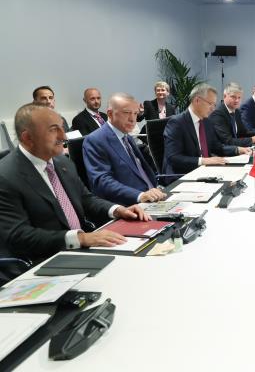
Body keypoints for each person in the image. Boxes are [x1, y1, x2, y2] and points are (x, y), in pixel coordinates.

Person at [0, 104, 149, 266]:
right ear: (28, 138)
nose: (64, 136)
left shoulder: (62, 162)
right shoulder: (6, 176)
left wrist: (117, 210)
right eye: (53, 129)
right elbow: (18, 235)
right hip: (43, 262)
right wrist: (79, 238)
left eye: (62, 128)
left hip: (83, 250)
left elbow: (85, 199)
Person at [83, 93, 166, 206]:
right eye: (127, 113)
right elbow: (102, 181)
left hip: (155, 197)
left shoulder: (127, 136)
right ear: (110, 114)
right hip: (130, 205)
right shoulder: (95, 140)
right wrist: (140, 195)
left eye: (135, 113)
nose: (133, 119)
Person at [163, 84, 250, 177]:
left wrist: (237, 150)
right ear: (197, 100)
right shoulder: (177, 123)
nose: (213, 108)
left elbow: (216, 147)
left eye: (214, 104)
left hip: (205, 171)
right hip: (183, 175)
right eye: (210, 104)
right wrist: (203, 161)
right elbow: (173, 158)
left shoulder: (206, 122)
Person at [210, 82, 255, 148]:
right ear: (224, 96)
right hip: (223, 152)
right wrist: (253, 139)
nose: (237, 100)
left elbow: (243, 132)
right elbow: (228, 141)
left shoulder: (236, 111)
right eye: (233, 97)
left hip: (236, 149)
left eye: (239, 97)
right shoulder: (218, 114)